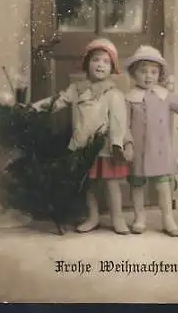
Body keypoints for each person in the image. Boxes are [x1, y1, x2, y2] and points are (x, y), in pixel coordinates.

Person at [33, 38, 133, 234]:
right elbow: (58, 101)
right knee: (89, 183)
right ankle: (92, 217)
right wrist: (35, 108)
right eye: (96, 60)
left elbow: (119, 122)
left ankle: (118, 218)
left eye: (106, 61)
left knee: (112, 184)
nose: (100, 65)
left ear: (112, 67)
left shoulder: (114, 93)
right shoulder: (77, 89)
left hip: (106, 147)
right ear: (87, 63)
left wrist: (117, 144)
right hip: (82, 144)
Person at [124, 45, 178, 237]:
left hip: (160, 149)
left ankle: (168, 218)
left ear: (159, 74)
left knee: (164, 185)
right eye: (143, 71)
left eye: (153, 72)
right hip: (138, 150)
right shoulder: (130, 99)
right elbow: (124, 124)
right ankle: (139, 217)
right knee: (137, 184)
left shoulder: (165, 96)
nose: (148, 76)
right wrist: (127, 143)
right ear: (133, 73)